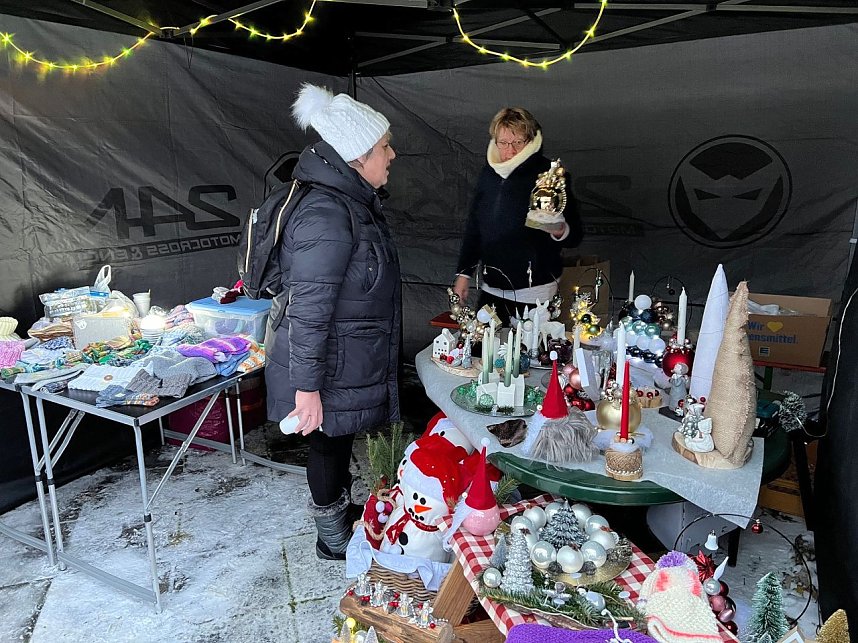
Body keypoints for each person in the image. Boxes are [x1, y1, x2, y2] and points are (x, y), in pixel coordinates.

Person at [265, 84, 400, 561]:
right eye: (384, 146)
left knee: (336, 441)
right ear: (358, 156)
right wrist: (306, 391)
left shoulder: (349, 202)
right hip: (325, 364)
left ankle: (340, 514)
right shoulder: (326, 212)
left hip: (340, 358)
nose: (392, 154)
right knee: (324, 443)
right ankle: (332, 537)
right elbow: (309, 308)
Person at [453, 108, 583, 324]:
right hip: (491, 288)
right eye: (503, 143)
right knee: (481, 351)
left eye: (518, 142)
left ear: (530, 140)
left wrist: (559, 229)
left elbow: (575, 235)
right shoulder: (489, 173)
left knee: (529, 355)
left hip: (535, 292)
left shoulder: (549, 175)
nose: (510, 150)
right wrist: (464, 274)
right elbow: (475, 226)